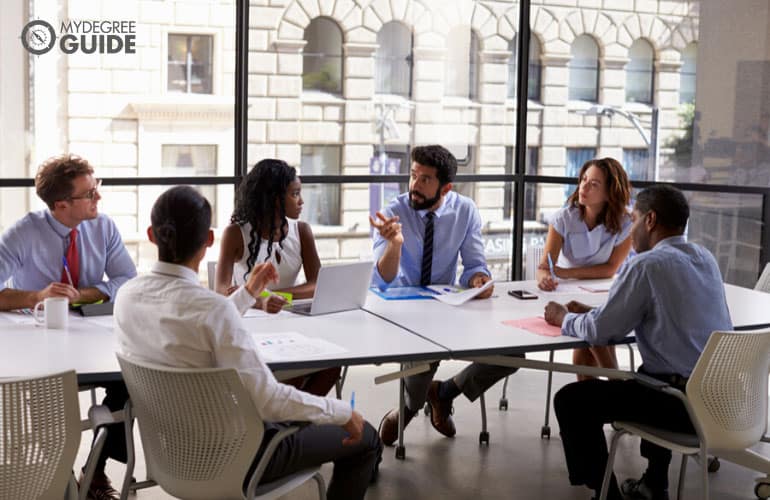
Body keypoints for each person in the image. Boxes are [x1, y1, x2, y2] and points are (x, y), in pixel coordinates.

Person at [115, 186, 382, 500]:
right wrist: (341, 412)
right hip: (241, 457)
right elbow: (268, 401)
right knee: (366, 438)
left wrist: (248, 293)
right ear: (209, 241)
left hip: (171, 454)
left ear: (151, 234)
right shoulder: (210, 309)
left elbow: (209, 321)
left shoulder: (128, 295)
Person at [544, 185, 732, 500]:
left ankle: (607, 495)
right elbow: (667, 312)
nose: (630, 229)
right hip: (720, 398)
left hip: (682, 405)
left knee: (571, 401)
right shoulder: (704, 258)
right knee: (652, 373)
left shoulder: (646, 265)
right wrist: (602, 312)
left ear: (651, 220)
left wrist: (563, 318)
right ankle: (654, 483)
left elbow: (601, 333)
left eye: (634, 219)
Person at [0, 154, 137, 500]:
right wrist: (36, 296)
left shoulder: (103, 227)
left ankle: (95, 471)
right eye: (89, 193)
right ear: (61, 204)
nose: (98, 198)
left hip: (93, 339)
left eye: (96, 188)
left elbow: (128, 280)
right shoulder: (24, 232)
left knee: (129, 382)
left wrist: (85, 293)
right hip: (40, 345)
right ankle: (57, 479)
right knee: (51, 402)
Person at [370, 144, 518, 446]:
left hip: (447, 304)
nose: (415, 185)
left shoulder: (465, 210)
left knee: (512, 354)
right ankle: (408, 411)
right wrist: (394, 244)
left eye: (425, 179)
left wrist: (479, 279)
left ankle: (445, 391)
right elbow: (383, 280)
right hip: (404, 310)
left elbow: (475, 265)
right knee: (422, 361)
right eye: (413, 176)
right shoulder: (393, 213)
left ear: (446, 187)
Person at [216, 159, 341, 396]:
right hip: (251, 325)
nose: (302, 201)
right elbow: (221, 293)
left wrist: (275, 296)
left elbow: (318, 285)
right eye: (295, 194)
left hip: (291, 321)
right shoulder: (235, 234)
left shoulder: (301, 231)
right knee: (293, 370)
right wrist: (260, 301)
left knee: (333, 365)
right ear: (274, 198)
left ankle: (292, 424)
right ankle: (283, 422)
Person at [537, 157, 632, 380]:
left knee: (591, 330)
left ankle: (606, 387)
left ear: (610, 192)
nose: (584, 187)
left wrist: (564, 273)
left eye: (594, 184)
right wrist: (544, 277)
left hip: (605, 292)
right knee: (590, 333)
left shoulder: (626, 223)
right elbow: (545, 266)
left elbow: (610, 269)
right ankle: (613, 383)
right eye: (583, 180)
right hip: (569, 293)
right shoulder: (564, 218)